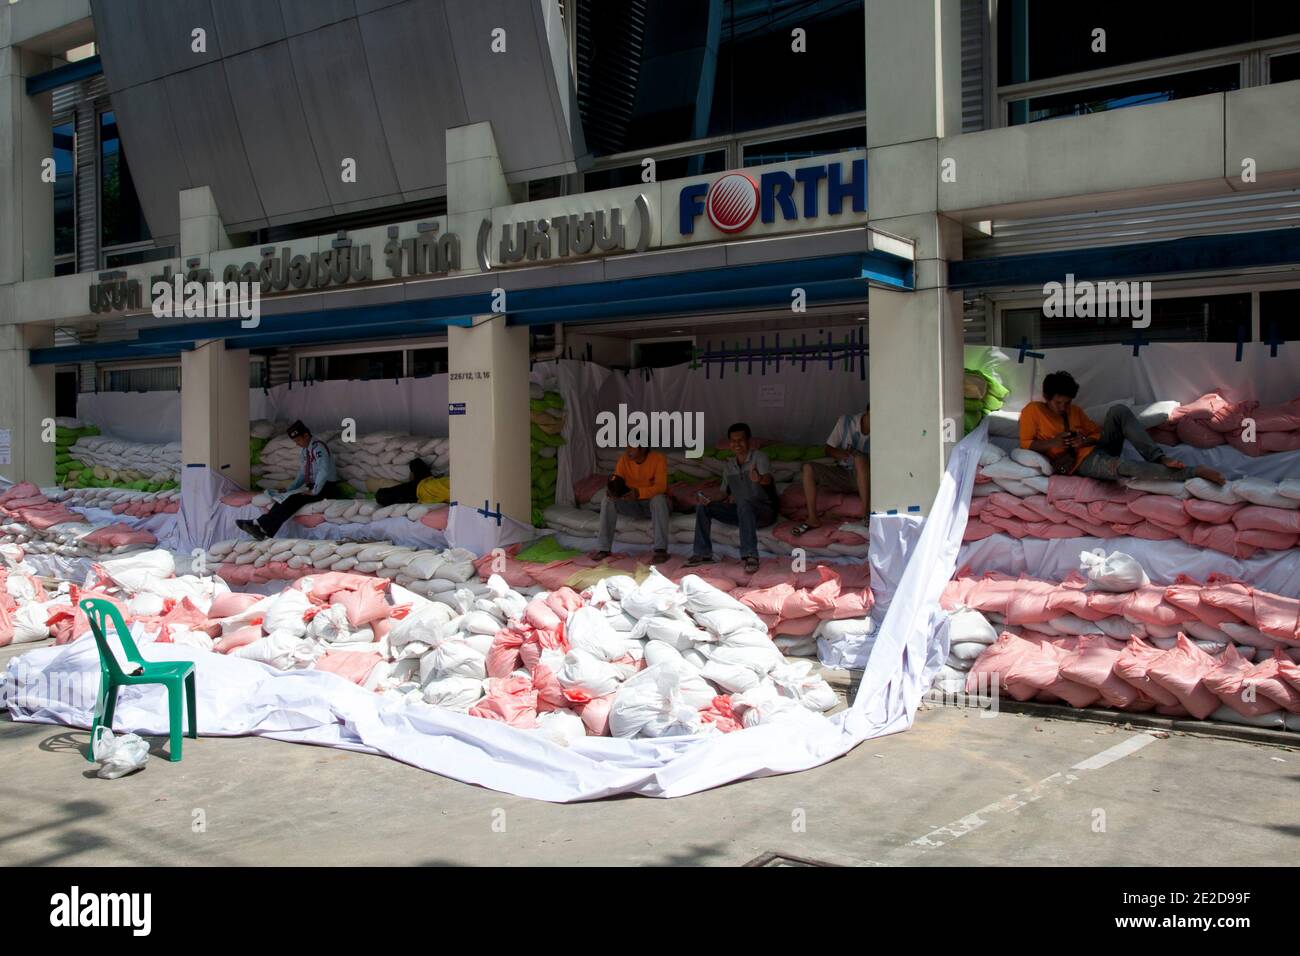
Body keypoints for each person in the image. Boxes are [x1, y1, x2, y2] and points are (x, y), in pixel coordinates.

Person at [1019, 371, 1225, 484]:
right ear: (1046, 398)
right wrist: (1055, 442)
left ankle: (1158, 457)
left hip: (1096, 448)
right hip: (1080, 464)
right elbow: (1026, 445)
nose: (1063, 407)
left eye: (1067, 403)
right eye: (1058, 403)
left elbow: (1096, 434)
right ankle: (1193, 472)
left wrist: (1085, 440)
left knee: (1118, 410)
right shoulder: (1033, 411)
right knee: (1126, 466)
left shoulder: (1075, 411)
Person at [686, 422, 778, 573]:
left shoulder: (759, 457)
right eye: (733, 441)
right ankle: (702, 554)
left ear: (748, 441)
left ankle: (750, 556)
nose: (737, 444)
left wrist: (759, 478)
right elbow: (724, 492)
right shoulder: (729, 466)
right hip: (742, 511)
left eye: (740, 440)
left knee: (744, 503)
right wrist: (709, 499)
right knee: (704, 507)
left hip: (763, 511)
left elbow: (767, 479)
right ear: (729, 443)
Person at [236, 420, 339, 540]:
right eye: (295, 442)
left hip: (326, 487)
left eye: (298, 440)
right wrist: (289, 489)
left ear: (306, 435)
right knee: (283, 499)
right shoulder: (306, 451)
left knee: (294, 500)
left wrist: (315, 491)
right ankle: (264, 530)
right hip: (314, 486)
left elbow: (324, 471)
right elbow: (302, 474)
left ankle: (260, 524)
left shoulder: (318, 447)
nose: (297, 444)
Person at [792, 406, 871, 534]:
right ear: (867, 412)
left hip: (868, 479)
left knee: (859, 459)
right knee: (808, 468)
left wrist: (859, 456)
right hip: (843, 474)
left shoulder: (884, 428)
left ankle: (867, 515)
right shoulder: (846, 421)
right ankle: (813, 518)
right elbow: (828, 449)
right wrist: (841, 454)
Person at [590, 443, 671, 563]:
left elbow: (661, 487)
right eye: (627, 447)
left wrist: (639, 493)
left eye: (631, 447)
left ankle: (660, 551)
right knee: (608, 500)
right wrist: (613, 491)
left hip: (652, 505)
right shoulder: (624, 459)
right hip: (632, 503)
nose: (628, 450)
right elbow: (617, 480)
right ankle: (604, 549)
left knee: (658, 499)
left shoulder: (658, 459)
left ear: (642, 448)